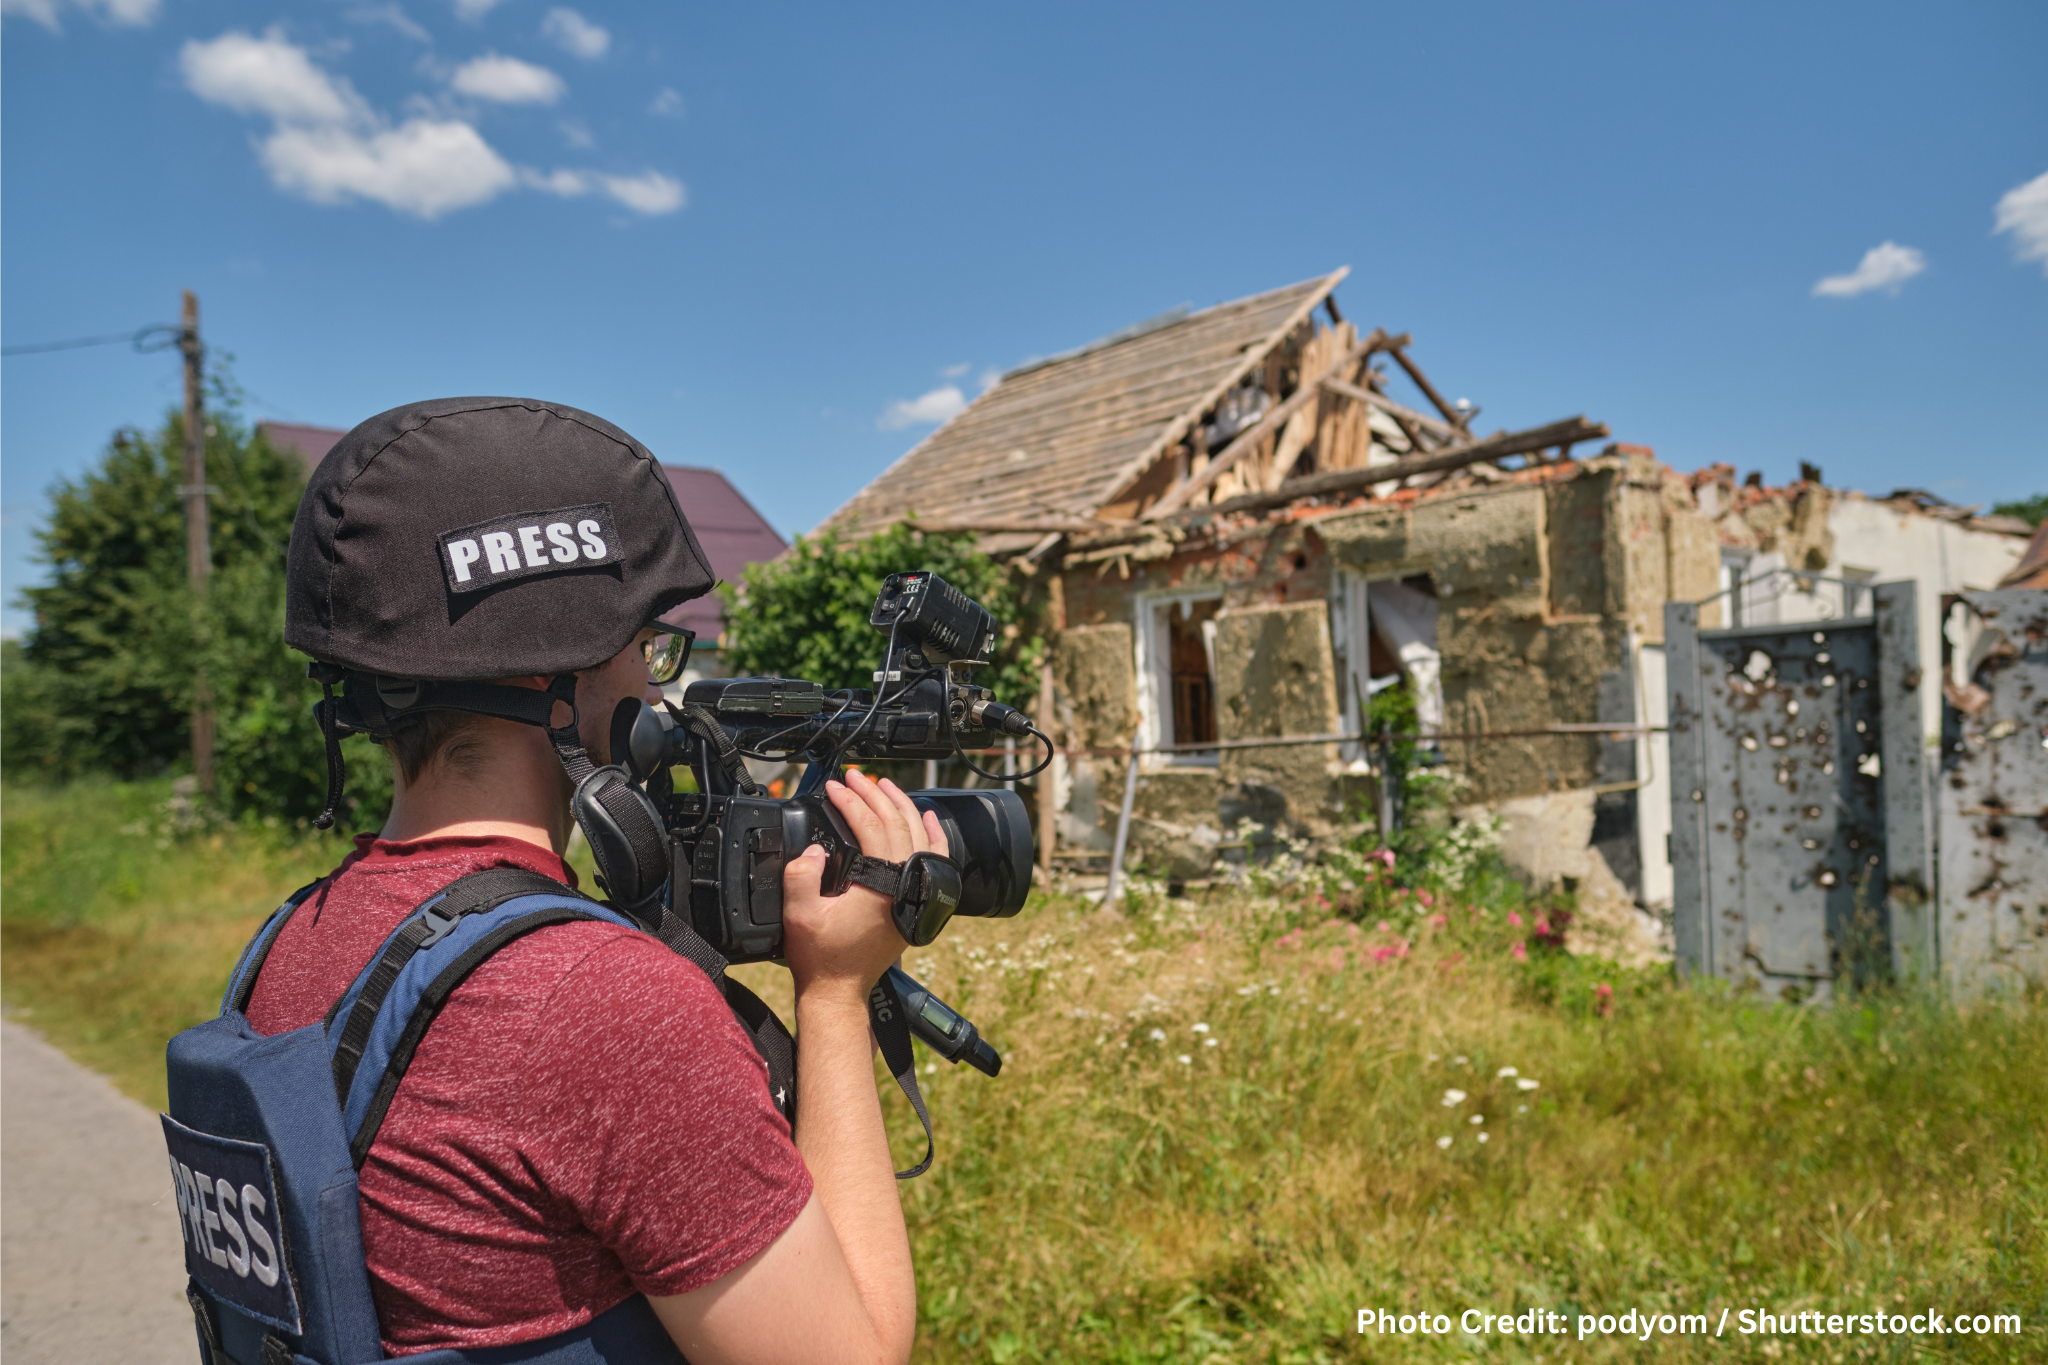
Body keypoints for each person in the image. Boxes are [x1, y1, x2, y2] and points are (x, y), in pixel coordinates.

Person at [253, 396, 926, 1363]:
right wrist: (834, 989)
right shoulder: (599, 1003)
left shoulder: (296, 938)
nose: (657, 690)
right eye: (648, 649)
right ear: (552, 677)